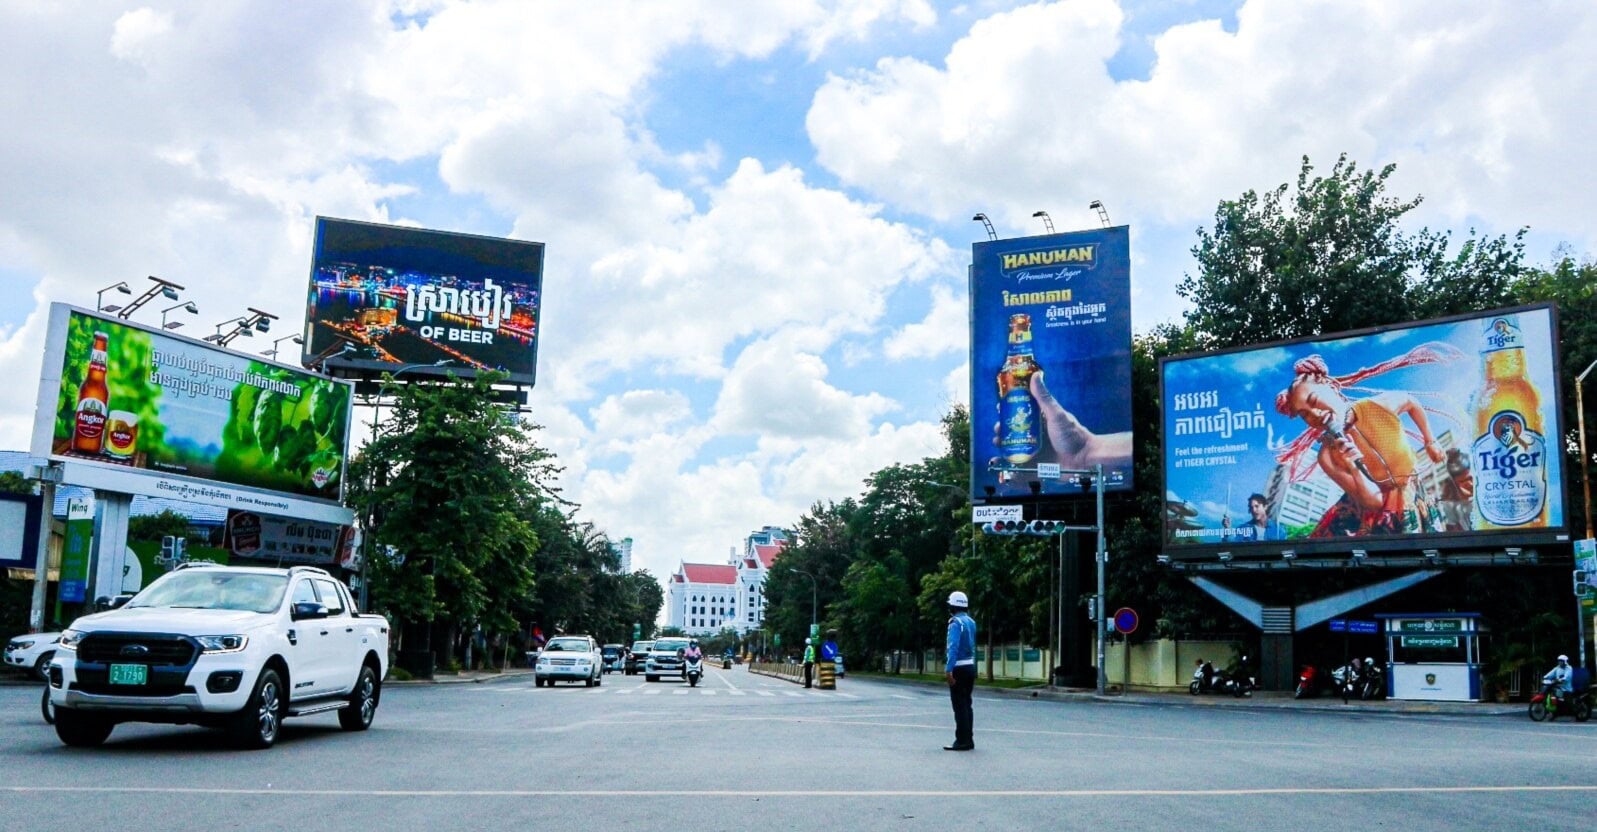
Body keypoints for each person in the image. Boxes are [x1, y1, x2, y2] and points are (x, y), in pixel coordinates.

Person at [945, 590, 977, 751]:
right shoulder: (971, 622)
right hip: (970, 666)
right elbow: (973, 647)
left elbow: (953, 647)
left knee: (959, 706)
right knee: (967, 704)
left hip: (958, 667)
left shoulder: (955, 622)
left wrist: (949, 669)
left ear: (953, 606)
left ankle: (961, 740)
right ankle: (969, 740)